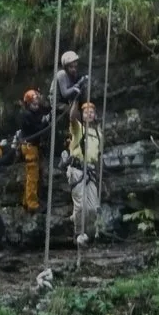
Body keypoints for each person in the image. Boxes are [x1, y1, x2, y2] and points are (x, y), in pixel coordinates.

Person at [68, 101, 103, 247]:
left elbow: (98, 155)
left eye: (92, 111)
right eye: (86, 111)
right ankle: (78, 233)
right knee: (81, 206)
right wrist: (75, 100)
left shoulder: (98, 133)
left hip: (91, 171)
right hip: (77, 170)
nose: (89, 113)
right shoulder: (78, 128)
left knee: (93, 209)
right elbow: (72, 117)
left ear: (95, 115)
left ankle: (83, 226)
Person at [16, 89, 52, 212]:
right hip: (30, 147)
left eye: (37, 104)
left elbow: (42, 114)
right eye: (34, 104)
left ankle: (26, 200)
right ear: (28, 104)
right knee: (33, 176)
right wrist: (45, 122)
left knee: (32, 175)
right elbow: (37, 129)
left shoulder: (34, 112)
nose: (36, 107)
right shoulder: (27, 115)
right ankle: (32, 204)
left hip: (33, 146)